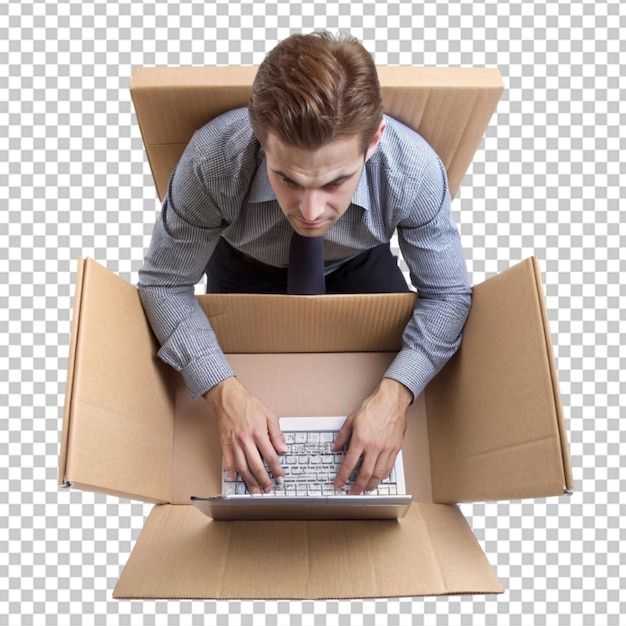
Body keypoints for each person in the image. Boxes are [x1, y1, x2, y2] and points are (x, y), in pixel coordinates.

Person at [138, 31, 471, 496]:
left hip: (359, 262)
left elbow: (448, 294)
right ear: (260, 139)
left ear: (374, 140)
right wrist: (222, 392)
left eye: (336, 181)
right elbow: (163, 283)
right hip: (242, 265)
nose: (311, 212)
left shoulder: (411, 171)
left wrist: (398, 393)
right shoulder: (213, 161)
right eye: (287, 178)